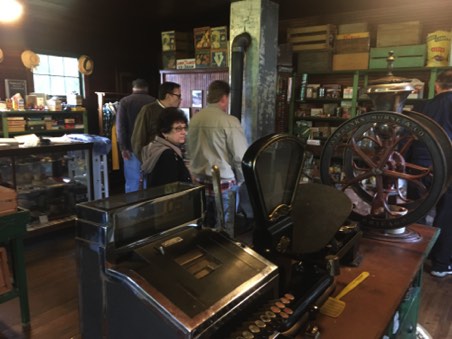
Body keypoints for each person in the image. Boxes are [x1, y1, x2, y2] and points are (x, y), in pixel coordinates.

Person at [187, 80, 248, 233]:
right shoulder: (229, 121)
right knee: (225, 227)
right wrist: (241, 181)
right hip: (223, 181)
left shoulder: (195, 119)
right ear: (224, 98)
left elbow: (189, 150)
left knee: (204, 225)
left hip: (199, 180)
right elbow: (240, 157)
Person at [411, 69, 452, 278]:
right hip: (446, 168)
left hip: (417, 167)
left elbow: (406, 134)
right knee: (446, 215)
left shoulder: (422, 105)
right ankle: (440, 264)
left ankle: (411, 259)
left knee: (417, 211)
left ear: (437, 85)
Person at [116, 78, 155, 193]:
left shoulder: (125, 102)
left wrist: (123, 147)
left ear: (133, 88)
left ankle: (133, 208)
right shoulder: (153, 101)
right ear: (146, 88)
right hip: (151, 147)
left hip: (130, 147)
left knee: (133, 181)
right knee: (149, 180)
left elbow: (120, 127)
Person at [131, 81, 182, 162]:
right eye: (178, 96)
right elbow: (138, 140)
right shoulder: (148, 110)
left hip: (172, 159)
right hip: (154, 161)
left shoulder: (175, 113)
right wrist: (147, 162)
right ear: (168, 96)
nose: (180, 99)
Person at [141, 107, 191, 187]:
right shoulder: (167, 155)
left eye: (185, 128)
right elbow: (170, 189)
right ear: (165, 132)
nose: (184, 132)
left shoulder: (155, 146)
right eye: (178, 129)